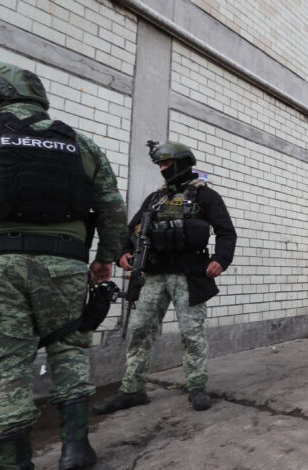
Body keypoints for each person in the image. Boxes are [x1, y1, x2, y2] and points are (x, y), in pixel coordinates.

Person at [0, 62, 128, 470]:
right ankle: (76, 448)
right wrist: (105, 259)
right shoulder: (82, 144)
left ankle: (13, 462)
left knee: (5, 359)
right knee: (68, 347)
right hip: (65, 263)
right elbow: (112, 211)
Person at [93, 142, 236, 415]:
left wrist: (221, 259)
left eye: (166, 164)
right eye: (160, 165)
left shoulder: (206, 196)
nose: (162, 170)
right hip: (154, 275)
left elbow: (226, 232)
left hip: (190, 276)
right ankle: (132, 388)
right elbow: (131, 230)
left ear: (182, 163)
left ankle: (197, 385)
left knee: (191, 332)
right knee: (139, 330)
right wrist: (122, 253)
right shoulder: (155, 199)